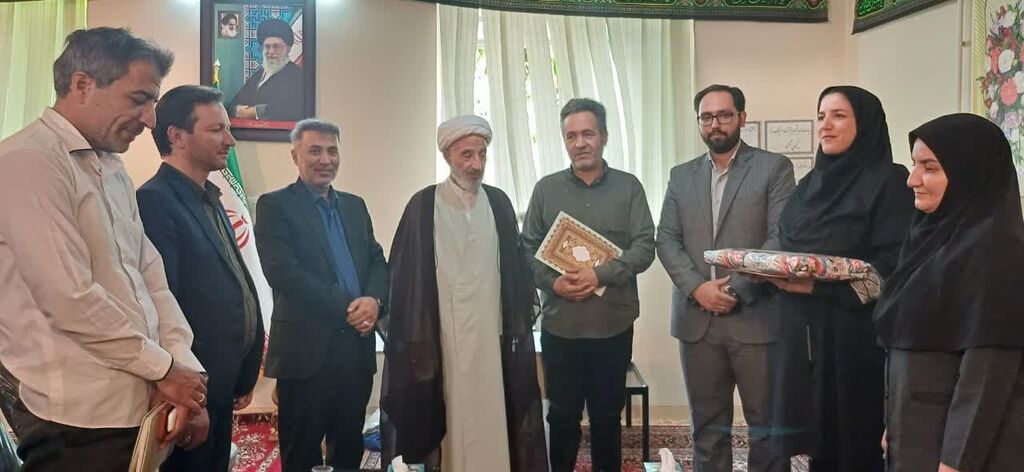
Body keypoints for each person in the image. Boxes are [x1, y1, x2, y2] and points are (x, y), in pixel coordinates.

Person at [0, 27, 208, 471]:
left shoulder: (111, 167)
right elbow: (69, 297)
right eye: (139, 99)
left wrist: (182, 367)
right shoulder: (28, 160)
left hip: (142, 405)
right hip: (77, 422)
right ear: (82, 85)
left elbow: (150, 277)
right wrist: (165, 369)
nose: (150, 119)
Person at [382, 115, 547, 472]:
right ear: (447, 157)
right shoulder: (423, 205)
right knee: (449, 410)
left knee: (493, 407)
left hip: (491, 334)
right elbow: (403, 277)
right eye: (466, 155)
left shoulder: (498, 202)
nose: (475, 164)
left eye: (481, 154)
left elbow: (517, 271)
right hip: (443, 337)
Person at [766, 86, 915, 471]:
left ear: (864, 123)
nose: (825, 125)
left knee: (855, 446)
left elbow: (893, 270)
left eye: (838, 115)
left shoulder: (890, 181)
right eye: (821, 116)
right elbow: (788, 243)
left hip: (856, 339)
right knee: (818, 447)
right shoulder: (809, 185)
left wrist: (818, 286)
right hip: (805, 336)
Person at [873, 113, 1024, 471]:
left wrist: (956, 462)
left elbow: (986, 373)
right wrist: (894, 423)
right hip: (917, 435)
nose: (912, 179)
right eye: (914, 164)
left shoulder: (997, 252)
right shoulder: (929, 239)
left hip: (960, 450)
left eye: (930, 168)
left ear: (969, 174)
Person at [657, 84, 795, 472]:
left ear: (741, 118)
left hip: (755, 318)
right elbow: (666, 239)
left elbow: (780, 237)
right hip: (697, 320)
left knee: (767, 429)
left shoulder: (774, 168)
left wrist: (734, 287)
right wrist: (698, 288)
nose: (715, 123)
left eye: (723, 114)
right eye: (706, 116)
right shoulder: (681, 176)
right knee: (707, 429)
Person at [522, 98, 656, 472]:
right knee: (562, 417)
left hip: (613, 325)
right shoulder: (546, 189)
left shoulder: (629, 188)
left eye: (588, 134)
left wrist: (600, 275)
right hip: (560, 327)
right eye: (571, 136)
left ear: (604, 137)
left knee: (607, 418)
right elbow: (526, 249)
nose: (579, 143)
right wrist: (554, 284)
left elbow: (645, 247)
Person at [137, 85, 266, 471]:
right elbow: (165, 306)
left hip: (219, 386)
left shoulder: (208, 196)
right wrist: (191, 399)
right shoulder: (155, 201)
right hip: (191, 394)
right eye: (216, 130)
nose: (230, 140)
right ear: (177, 136)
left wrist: (242, 374)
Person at [254, 118, 388, 472]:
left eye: (332, 151)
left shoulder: (355, 206)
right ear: (295, 156)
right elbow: (284, 273)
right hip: (305, 354)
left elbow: (377, 261)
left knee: (348, 449)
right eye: (315, 150)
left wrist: (374, 301)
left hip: (355, 353)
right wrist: (351, 308)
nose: (325, 159)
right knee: (301, 453)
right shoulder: (274, 206)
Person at [228, 18, 304, 122]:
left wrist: (255, 112)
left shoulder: (296, 75)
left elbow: (291, 108)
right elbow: (232, 104)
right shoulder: (258, 76)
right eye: (267, 46)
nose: (271, 52)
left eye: (276, 46)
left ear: (288, 49)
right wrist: (237, 110)